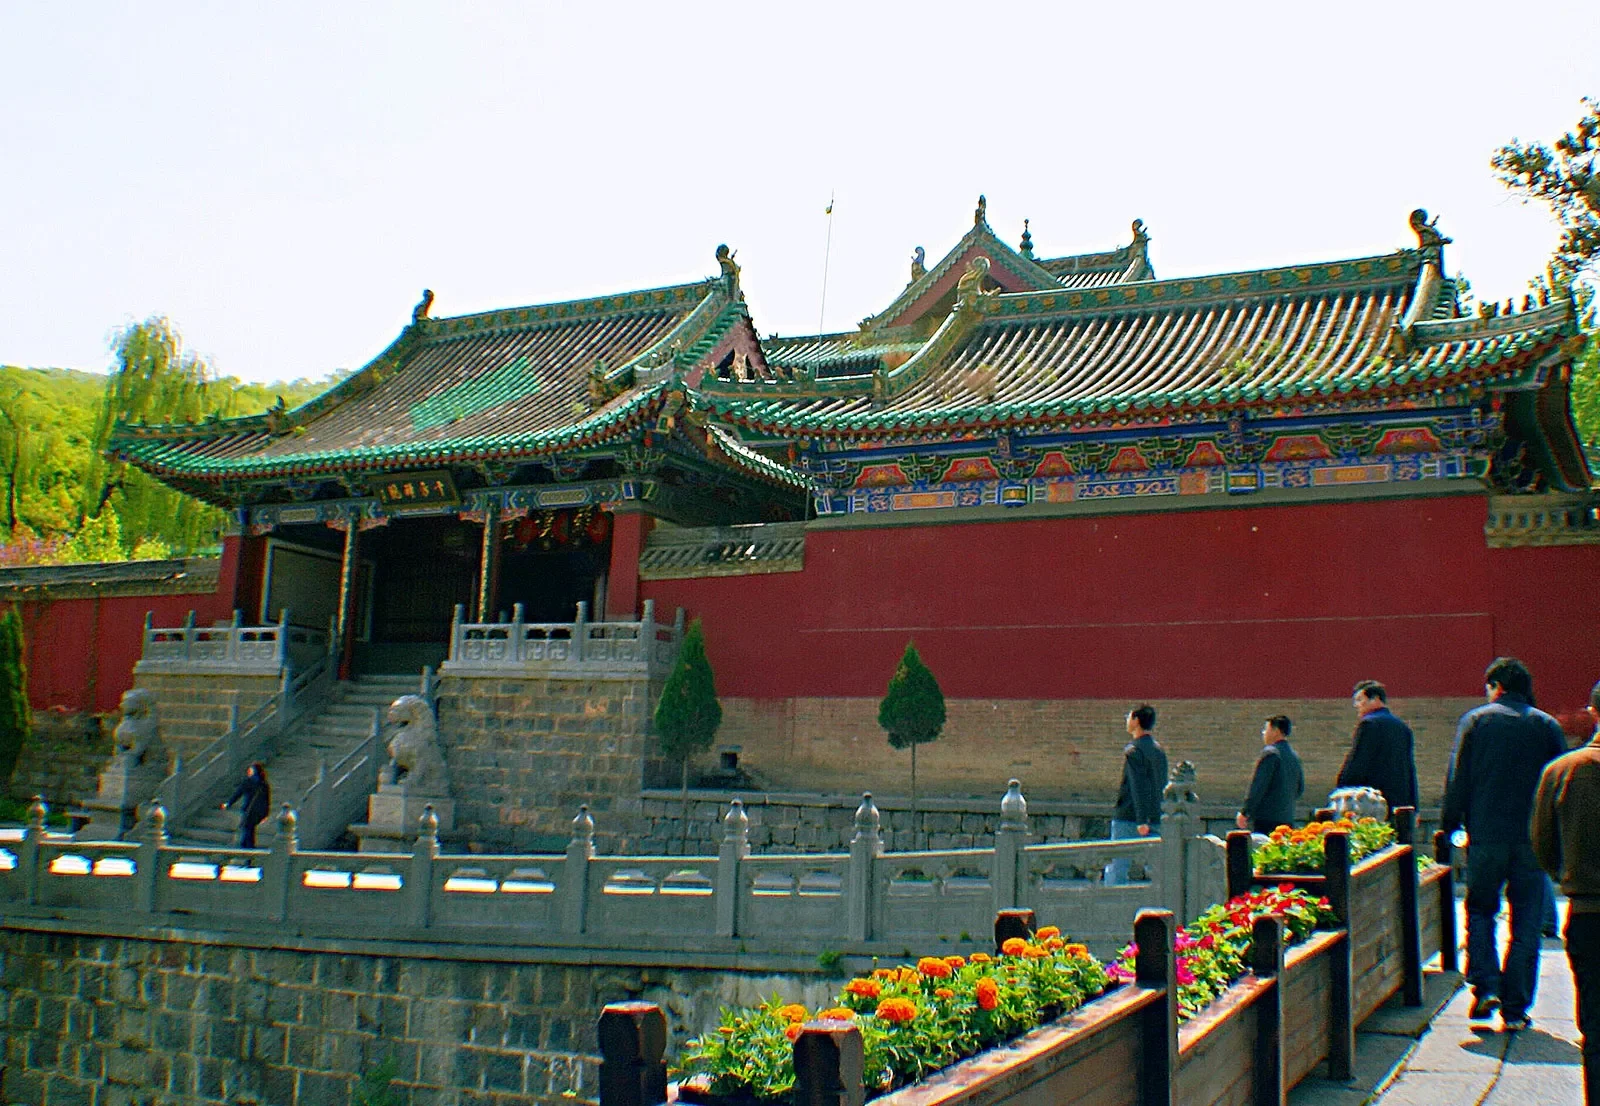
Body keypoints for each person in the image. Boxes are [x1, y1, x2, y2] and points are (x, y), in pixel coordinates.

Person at [1442, 657, 1568, 1031]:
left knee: (1481, 909)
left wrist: (1450, 825)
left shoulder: (1476, 722)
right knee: (1526, 921)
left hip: (1486, 835)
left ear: (1496, 686)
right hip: (1532, 840)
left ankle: (1485, 986)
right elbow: (1558, 784)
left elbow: (1458, 778)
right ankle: (1515, 1007)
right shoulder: (1546, 725)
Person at [1531, 679, 1600, 1102]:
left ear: (1593, 712)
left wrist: (1568, 875)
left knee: (1594, 1024)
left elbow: (1542, 845)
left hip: (1588, 911)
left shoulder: (1562, 770)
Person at [1105, 704, 1168, 886]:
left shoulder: (1134, 751)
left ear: (1136, 720)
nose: (1127, 720)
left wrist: (1141, 820)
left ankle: (1113, 901)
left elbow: (1137, 785)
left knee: (1118, 865)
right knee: (1158, 868)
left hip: (1130, 817)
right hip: (1156, 815)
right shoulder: (1159, 751)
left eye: (1129, 716)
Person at [1336, 680, 1418, 815]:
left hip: (1372, 801)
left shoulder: (1369, 724)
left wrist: (1342, 788)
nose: (1356, 705)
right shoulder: (1403, 727)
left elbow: (1358, 762)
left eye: (1359, 700)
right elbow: (1409, 768)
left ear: (1375, 699)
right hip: (1400, 801)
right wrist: (1414, 804)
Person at [1237, 715, 1304, 835]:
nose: (1263, 733)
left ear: (1275, 731)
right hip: (1287, 819)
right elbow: (1299, 789)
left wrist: (1245, 812)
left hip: (1266, 820)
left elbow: (1258, 787)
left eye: (1266, 729)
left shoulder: (1270, 753)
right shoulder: (1294, 757)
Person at [221, 762, 271, 849]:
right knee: (250, 828)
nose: (248, 772)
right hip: (258, 811)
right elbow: (267, 800)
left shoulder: (248, 782)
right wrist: (266, 813)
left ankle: (247, 846)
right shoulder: (264, 784)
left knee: (248, 828)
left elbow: (238, 793)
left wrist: (228, 804)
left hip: (249, 809)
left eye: (250, 770)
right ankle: (247, 845)